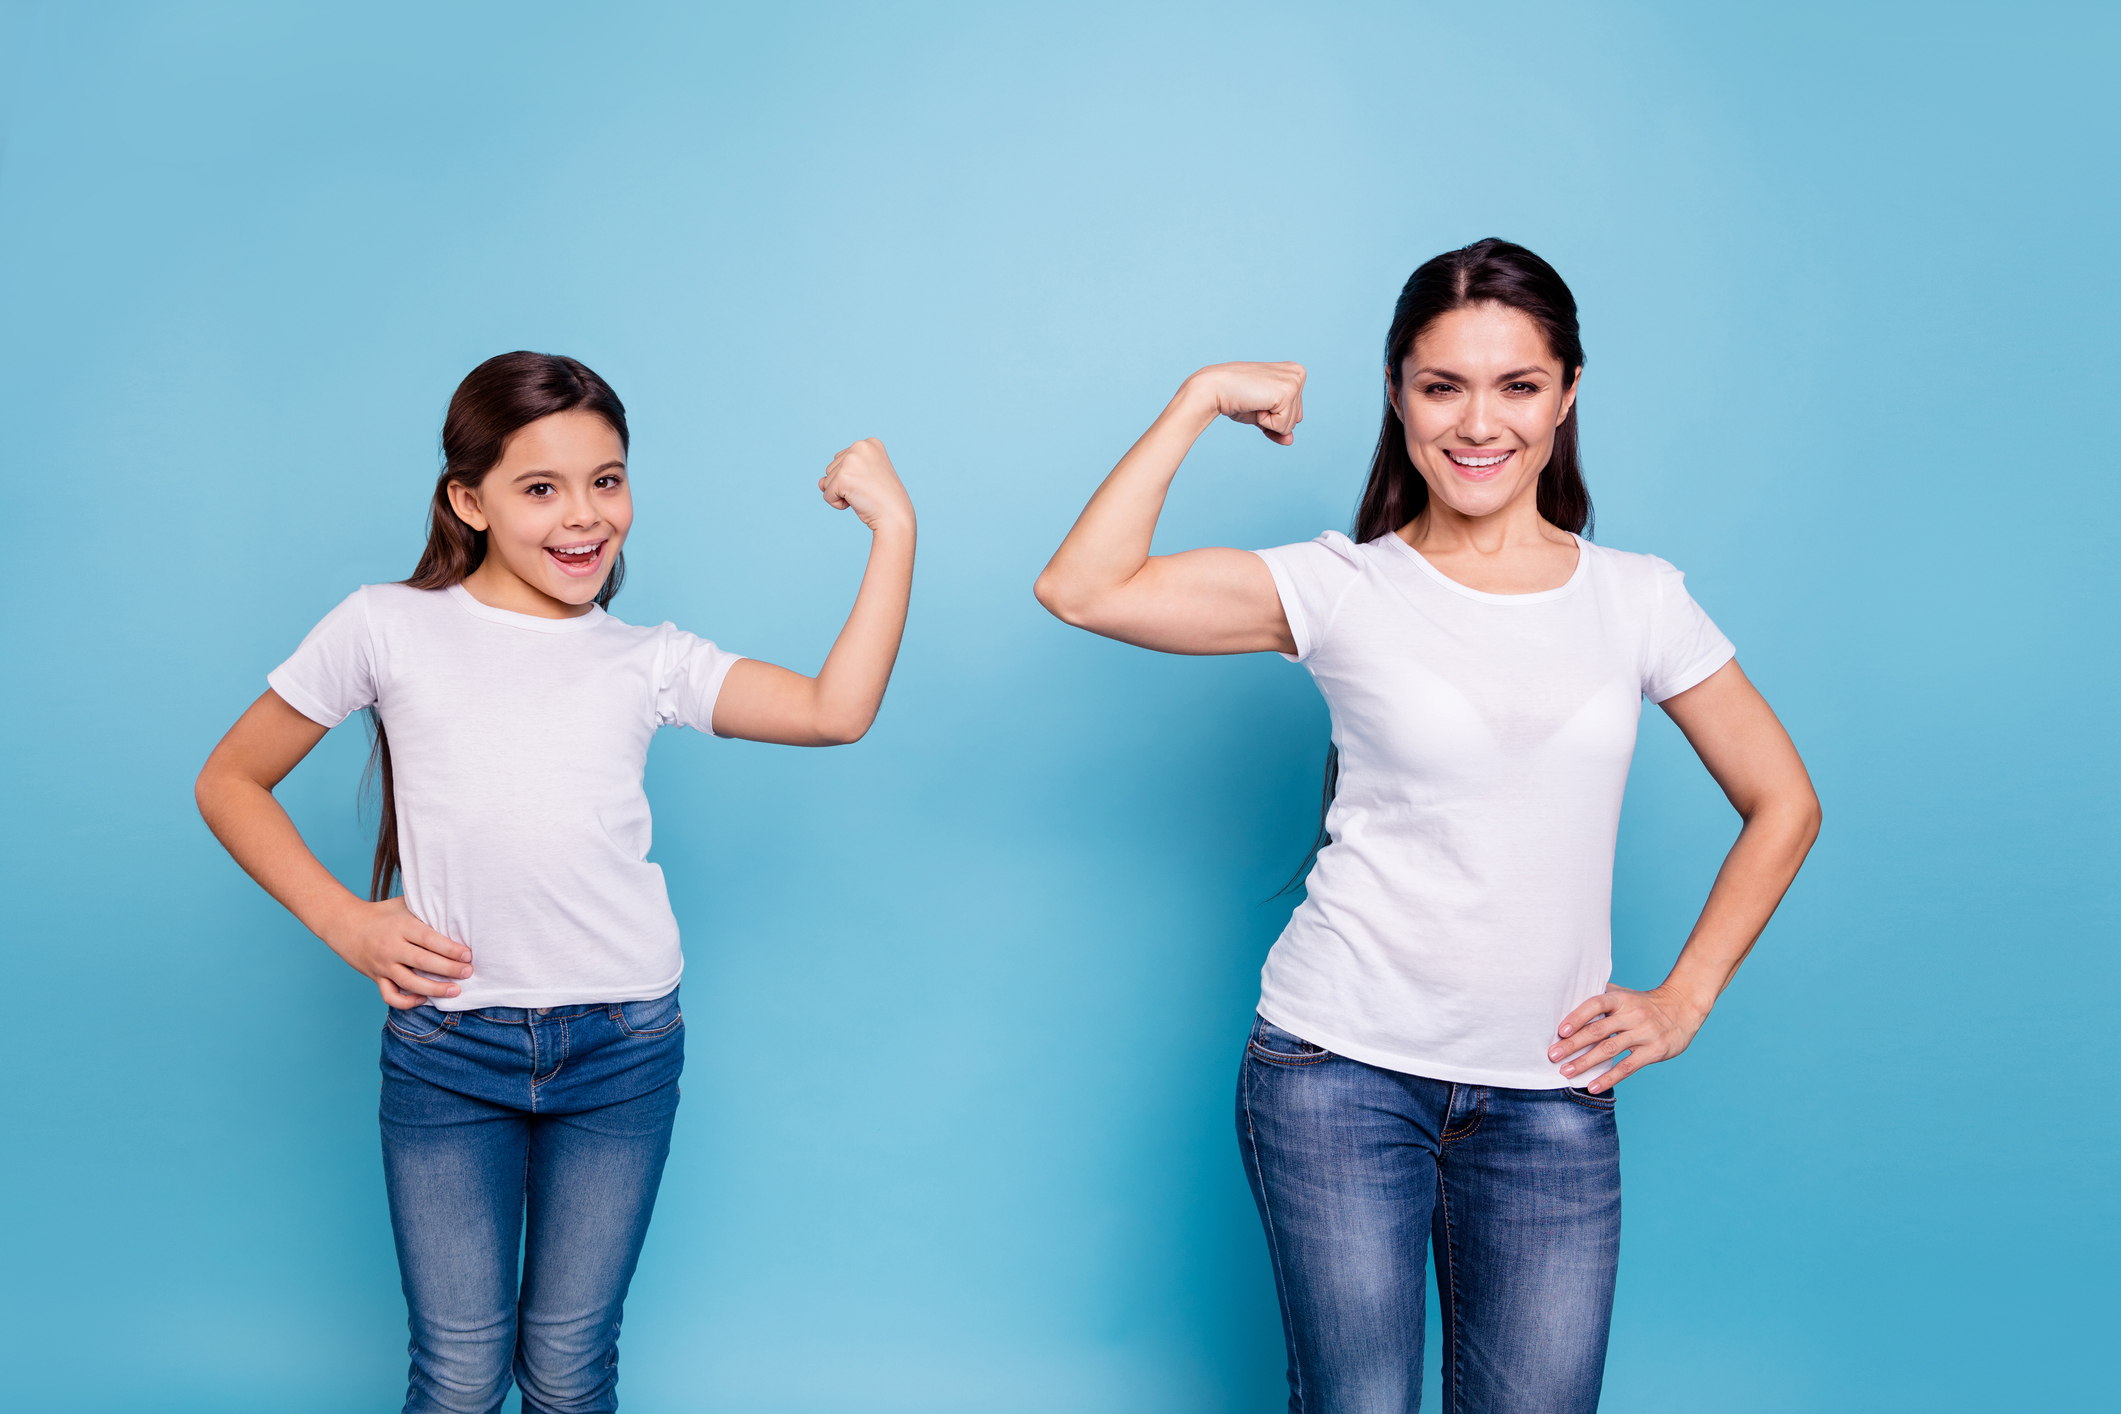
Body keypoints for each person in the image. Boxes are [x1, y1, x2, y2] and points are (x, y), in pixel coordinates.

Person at [1033, 239, 1820, 1413]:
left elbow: (1784, 801)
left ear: (1567, 395)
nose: (1478, 423)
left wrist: (1684, 995)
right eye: (1441, 384)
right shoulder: (1342, 586)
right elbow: (1082, 586)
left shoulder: (1637, 596)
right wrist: (1200, 396)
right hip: (1336, 1072)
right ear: (1397, 393)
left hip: (1551, 1096)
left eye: (1517, 385)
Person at [194, 352, 916, 1413]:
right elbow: (231, 780)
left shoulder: (645, 658)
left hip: (621, 1049)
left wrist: (893, 529)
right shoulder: (384, 626)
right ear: (467, 498)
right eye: (541, 488)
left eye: (607, 479)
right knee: (456, 1375)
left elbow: (832, 711)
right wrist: (346, 923)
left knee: (572, 1371)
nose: (585, 516)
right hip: (450, 1051)